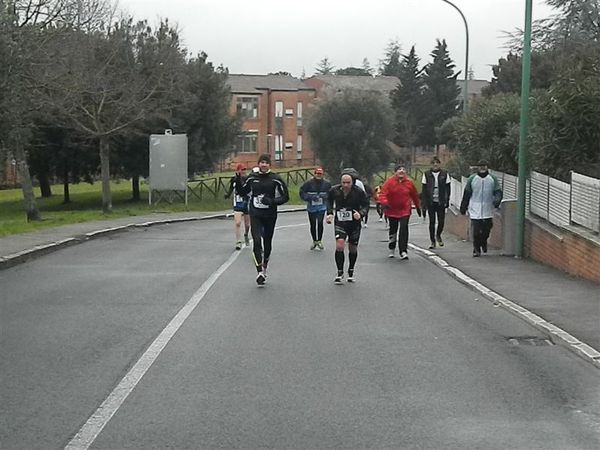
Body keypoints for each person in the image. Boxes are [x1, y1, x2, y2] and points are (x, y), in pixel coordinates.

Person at [235, 154, 289, 285]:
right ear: (258, 164)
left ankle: (265, 265)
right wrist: (237, 182)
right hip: (256, 213)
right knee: (257, 241)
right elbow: (243, 192)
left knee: (267, 242)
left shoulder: (276, 179)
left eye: (266, 162)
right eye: (261, 162)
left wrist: (272, 201)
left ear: (269, 165)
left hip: (270, 214)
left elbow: (285, 197)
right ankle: (259, 271)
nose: (263, 165)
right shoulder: (252, 178)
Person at [326, 173, 370, 284]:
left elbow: (366, 205)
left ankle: (351, 270)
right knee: (340, 245)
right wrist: (330, 213)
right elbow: (328, 201)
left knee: (352, 248)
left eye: (348, 183)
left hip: (354, 223)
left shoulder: (359, 192)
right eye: (343, 182)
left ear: (352, 182)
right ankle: (339, 272)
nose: (345, 185)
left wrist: (360, 214)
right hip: (340, 222)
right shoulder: (334, 190)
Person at [460, 159, 503, 257]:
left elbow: (498, 192)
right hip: (475, 208)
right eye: (480, 166)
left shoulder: (492, 179)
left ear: (487, 167)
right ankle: (476, 249)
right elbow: (467, 194)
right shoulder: (472, 179)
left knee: (486, 230)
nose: (482, 168)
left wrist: (497, 200)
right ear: (478, 168)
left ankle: (483, 242)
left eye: (484, 166)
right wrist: (463, 207)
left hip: (488, 208)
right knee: (476, 231)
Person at [379, 165, 421, 260]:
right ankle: (392, 247)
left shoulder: (409, 182)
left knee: (403, 229)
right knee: (393, 229)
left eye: (403, 169)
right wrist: (384, 203)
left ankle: (403, 251)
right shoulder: (389, 182)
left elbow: (414, 195)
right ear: (395, 172)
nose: (401, 171)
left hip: (405, 209)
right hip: (392, 209)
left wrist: (418, 207)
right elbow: (383, 193)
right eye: (399, 169)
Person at [421, 157, 451, 249]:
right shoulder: (426, 174)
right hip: (431, 201)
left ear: (439, 164)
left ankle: (438, 235)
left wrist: (446, 200)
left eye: (437, 163)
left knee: (441, 221)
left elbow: (448, 189)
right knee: (432, 222)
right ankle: (432, 241)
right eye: (433, 163)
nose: (435, 164)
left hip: (441, 201)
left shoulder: (444, 174)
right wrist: (424, 203)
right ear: (431, 164)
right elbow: (424, 190)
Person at [299, 167, 332, 250]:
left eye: (320, 174)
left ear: (322, 175)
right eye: (317, 173)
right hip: (311, 207)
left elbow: (330, 194)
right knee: (313, 224)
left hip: (322, 206)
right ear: (314, 174)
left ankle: (319, 240)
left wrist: (325, 198)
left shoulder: (327, 184)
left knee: (320, 223)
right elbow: (302, 192)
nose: (318, 175)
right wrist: (309, 198)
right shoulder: (308, 183)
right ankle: (314, 241)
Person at [224, 163, 250, 250]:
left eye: (244, 170)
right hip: (237, 203)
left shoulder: (248, 179)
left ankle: (246, 234)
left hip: (246, 203)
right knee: (238, 222)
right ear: (238, 170)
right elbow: (231, 188)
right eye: (242, 170)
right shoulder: (234, 179)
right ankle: (238, 241)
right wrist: (228, 195)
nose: (243, 171)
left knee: (247, 225)